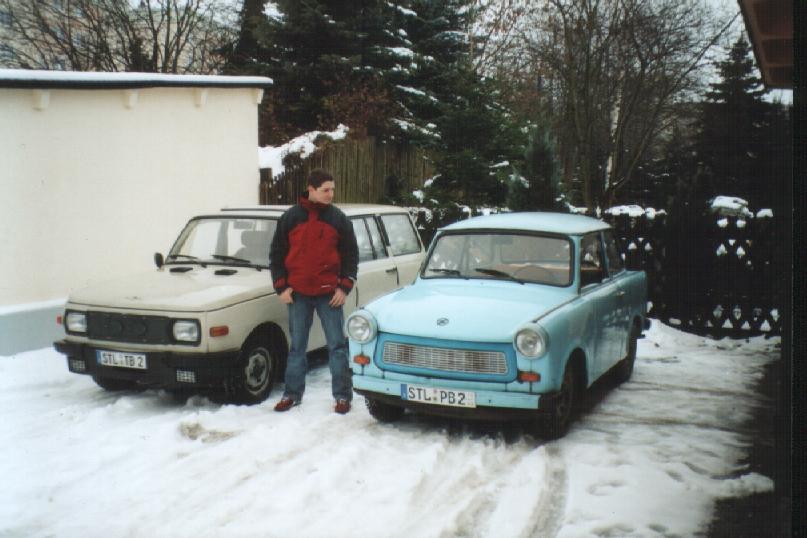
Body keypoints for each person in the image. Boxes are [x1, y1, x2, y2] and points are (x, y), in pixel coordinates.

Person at [269, 169, 359, 414]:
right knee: (297, 347)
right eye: (325, 190)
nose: (331, 194)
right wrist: (281, 286)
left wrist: (344, 287)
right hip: (298, 294)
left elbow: (351, 256)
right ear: (311, 189)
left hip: (330, 295)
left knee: (337, 347)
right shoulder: (290, 217)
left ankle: (342, 396)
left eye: (332, 189)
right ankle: (292, 394)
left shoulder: (339, 219)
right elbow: (276, 254)